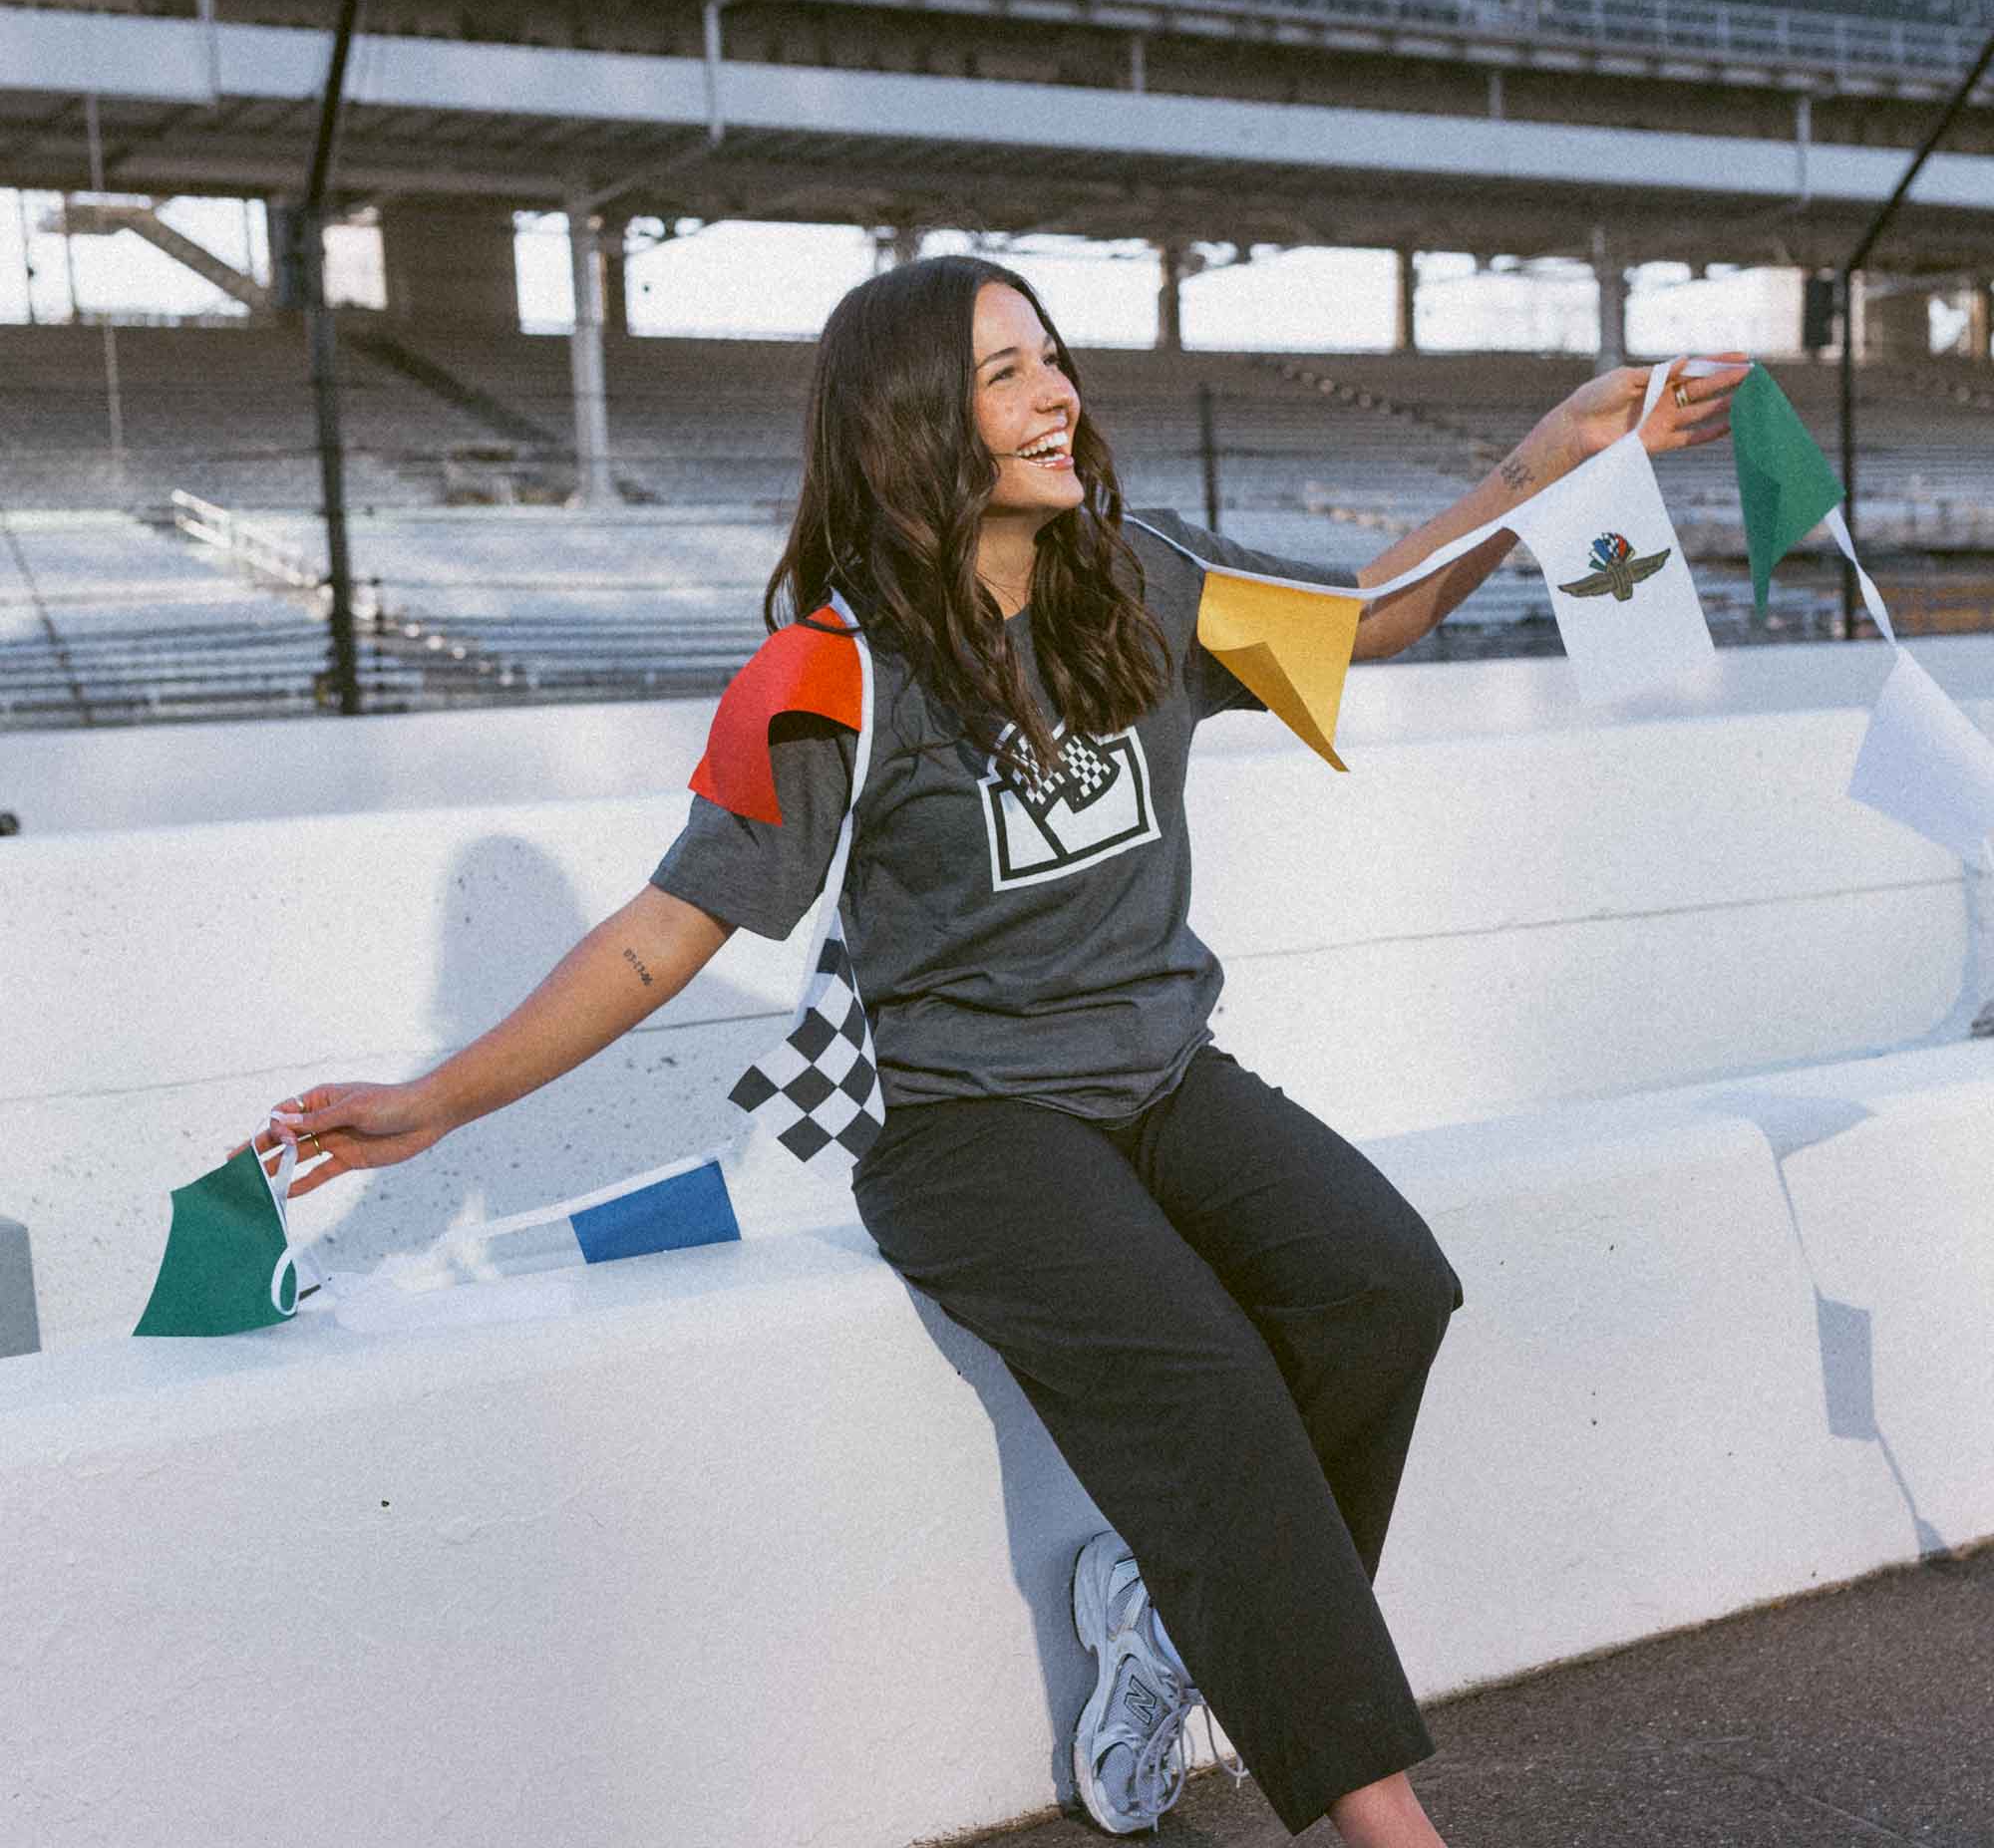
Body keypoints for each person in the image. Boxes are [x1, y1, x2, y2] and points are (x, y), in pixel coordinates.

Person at [259, 258, 1743, 1844]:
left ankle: (1176, 1620)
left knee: (1386, 1284)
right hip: (968, 1131)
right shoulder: (832, 668)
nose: (1058, 397)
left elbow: (1370, 621)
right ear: (913, 425)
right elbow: (663, 932)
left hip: (1165, 1076)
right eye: (1007, 374)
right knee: (1215, 1394)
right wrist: (435, 1099)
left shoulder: (1144, 578)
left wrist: (1554, 459)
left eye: (1052, 360)